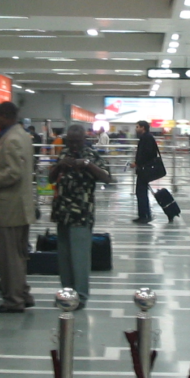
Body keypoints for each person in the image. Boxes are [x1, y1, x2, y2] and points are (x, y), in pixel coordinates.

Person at [0, 101, 36, 313]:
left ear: (5, 116)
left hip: (8, 208)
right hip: (17, 206)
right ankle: (22, 293)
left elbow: (14, 173)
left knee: (9, 257)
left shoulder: (11, 138)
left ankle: (13, 300)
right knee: (18, 255)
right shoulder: (19, 134)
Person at [48, 123, 112, 308]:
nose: (74, 145)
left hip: (82, 213)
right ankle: (66, 292)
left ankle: (81, 296)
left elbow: (107, 177)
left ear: (85, 140)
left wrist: (87, 165)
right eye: (71, 141)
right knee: (64, 257)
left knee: (80, 257)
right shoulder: (63, 153)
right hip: (62, 212)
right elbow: (51, 179)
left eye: (77, 141)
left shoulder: (91, 155)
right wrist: (59, 166)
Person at [132, 120, 161, 224]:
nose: (136, 129)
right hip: (144, 169)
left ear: (143, 128)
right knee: (141, 192)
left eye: (137, 127)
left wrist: (138, 163)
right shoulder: (147, 137)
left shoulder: (146, 138)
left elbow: (147, 154)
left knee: (141, 192)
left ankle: (144, 215)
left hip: (144, 169)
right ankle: (143, 214)